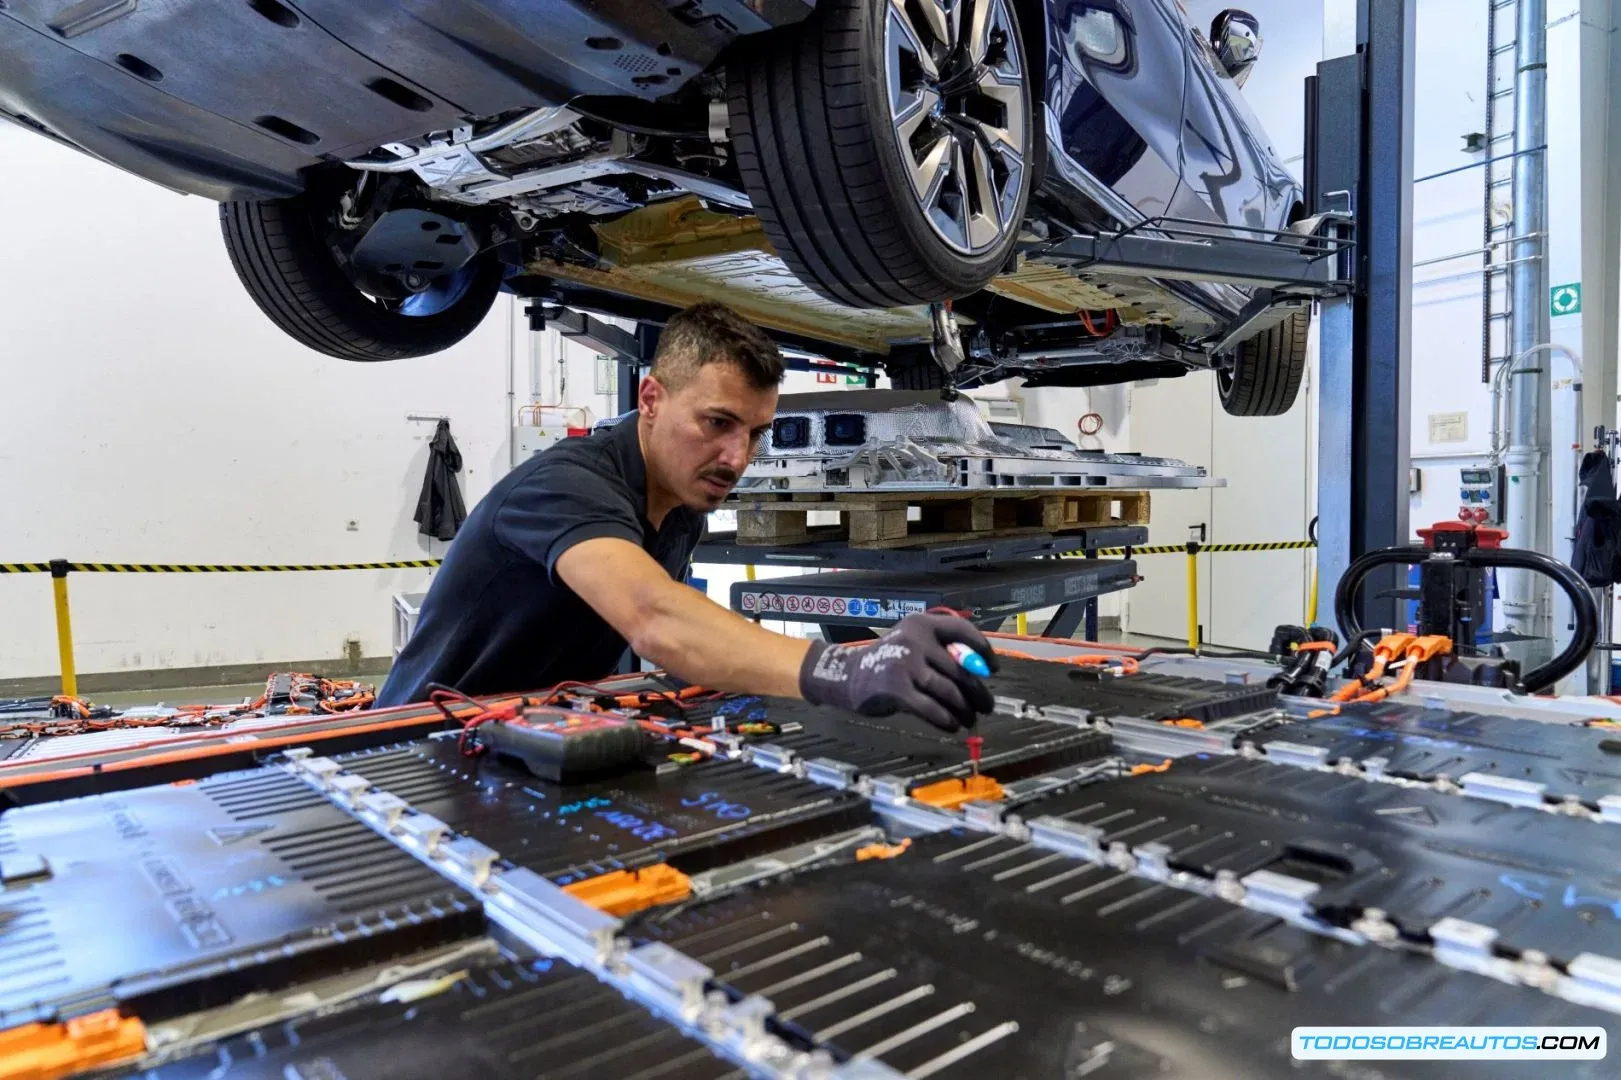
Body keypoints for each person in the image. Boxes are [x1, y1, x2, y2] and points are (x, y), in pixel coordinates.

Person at [377, 301, 996, 731]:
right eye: (717, 423)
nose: (736, 457)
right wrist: (846, 666)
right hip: (414, 749)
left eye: (755, 433)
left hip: (530, 733)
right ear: (650, 398)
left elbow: (671, 638)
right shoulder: (566, 485)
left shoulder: (678, 508)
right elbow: (654, 618)